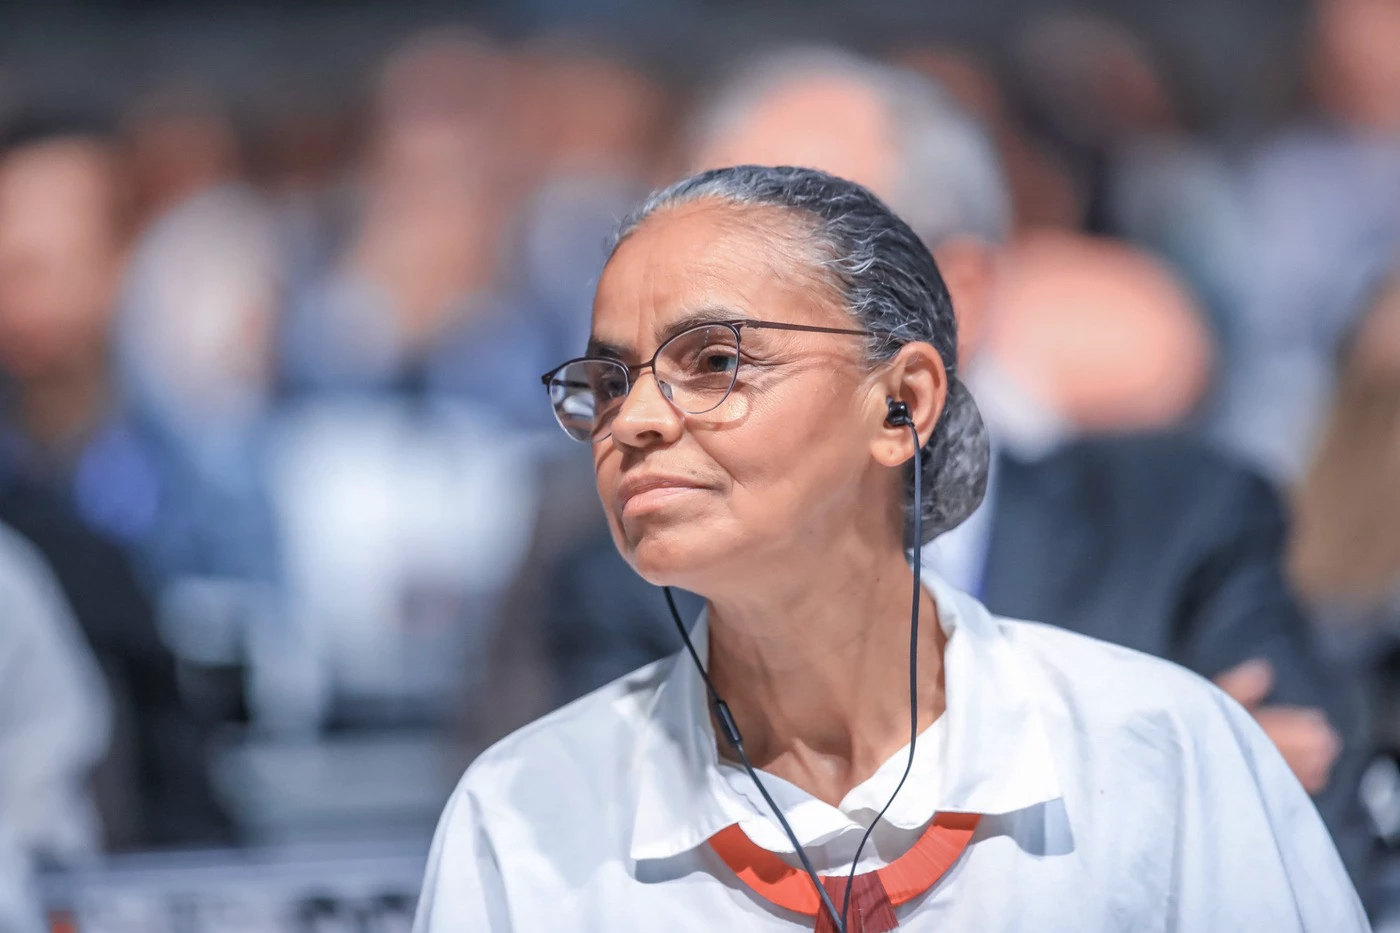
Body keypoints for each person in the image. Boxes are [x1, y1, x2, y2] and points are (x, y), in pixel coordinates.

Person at [414, 164, 1365, 931]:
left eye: (714, 361)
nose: (636, 421)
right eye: (610, 380)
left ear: (902, 401)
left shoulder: (1159, 749)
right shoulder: (523, 813)